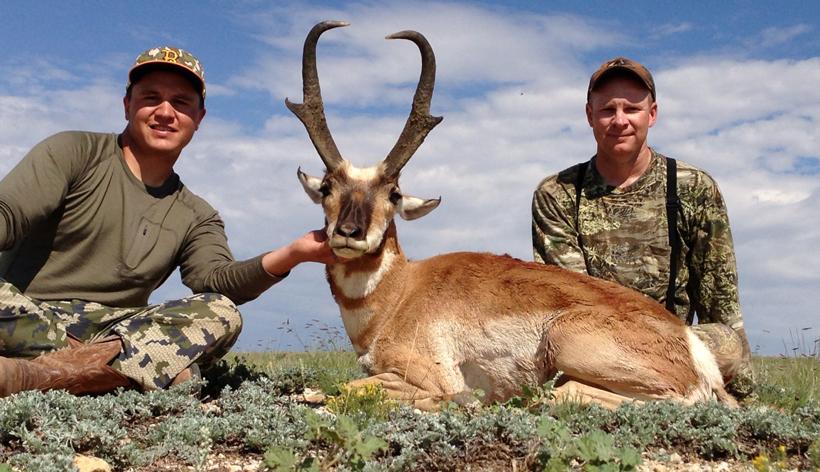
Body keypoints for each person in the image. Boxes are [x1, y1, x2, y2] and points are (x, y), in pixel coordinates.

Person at [0, 46, 335, 397]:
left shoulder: (197, 215)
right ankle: (120, 374)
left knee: (220, 313)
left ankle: (29, 377)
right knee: (175, 369)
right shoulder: (72, 152)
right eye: (151, 98)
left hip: (116, 330)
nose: (165, 112)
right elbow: (9, 213)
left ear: (199, 118)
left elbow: (216, 281)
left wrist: (295, 253)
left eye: (180, 102)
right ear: (127, 105)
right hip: (27, 315)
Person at [531, 57, 754, 397]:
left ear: (652, 114)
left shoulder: (693, 187)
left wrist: (745, 403)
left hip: (670, 346)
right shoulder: (557, 194)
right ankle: (660, 397)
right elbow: (573, 302)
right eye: (607, 110)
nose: (620, 121)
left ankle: (618, 397)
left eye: (632, 109)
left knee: (726, 344)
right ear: (589, 115)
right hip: (596, 347)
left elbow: (720, 300)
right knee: (556, 348)